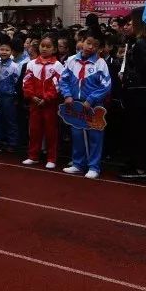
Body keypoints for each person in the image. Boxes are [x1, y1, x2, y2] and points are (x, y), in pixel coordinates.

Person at [59, 23, 111, 179]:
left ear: (99, 48)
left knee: (95, 135)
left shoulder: (100, 64)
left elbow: (106, 85)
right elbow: (63, 79)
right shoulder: (71, 60)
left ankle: (94, 166)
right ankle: (77, 163)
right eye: (88, 43)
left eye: (95, 45)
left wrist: (91, 99)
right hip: (75, 103)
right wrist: (67, 95)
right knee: (77, 134)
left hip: (94, 106)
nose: (90, 47)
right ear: (82, 42)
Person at [116, 8, 146, 179]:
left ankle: (141, 167)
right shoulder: (136, 42)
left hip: (139, 94)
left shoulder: (142, 44)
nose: (127, 26)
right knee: (134, 130)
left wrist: (128, 77)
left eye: (131, 23)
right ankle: (136, 163)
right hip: (137, 93)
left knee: (139, 131)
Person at [22, 34, 64, 170]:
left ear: (54, 49)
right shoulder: (31, 63)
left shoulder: (57, 65)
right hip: (35, 103)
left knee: (51, 131)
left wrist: (46, 98)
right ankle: (33, 155)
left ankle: (52, 158)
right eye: (42, 46)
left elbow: (57, 85)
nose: (44, 49)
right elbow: (26, 81)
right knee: (34, 130)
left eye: (48, 46)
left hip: (49, 105)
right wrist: (32, 96)